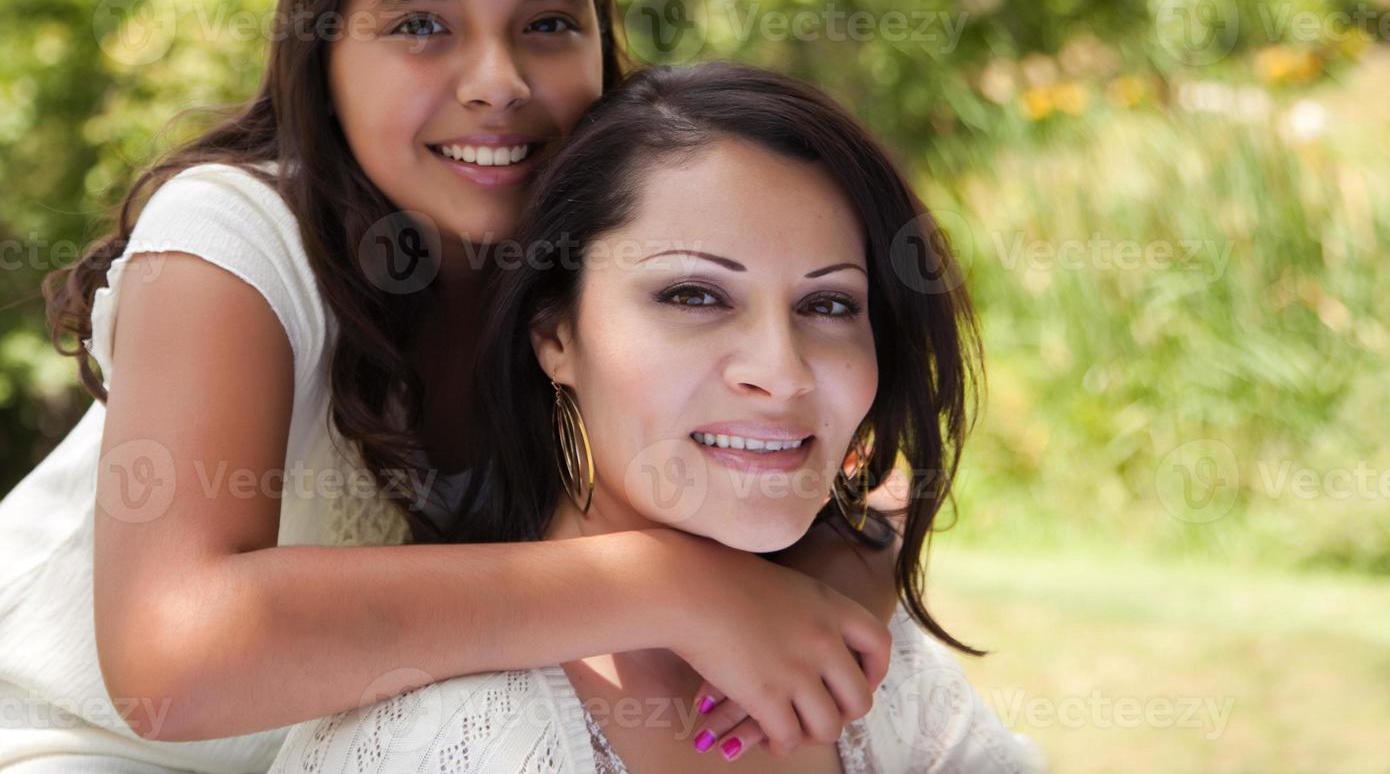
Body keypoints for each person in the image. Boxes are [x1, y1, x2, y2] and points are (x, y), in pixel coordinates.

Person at [0, 0, 901, 772]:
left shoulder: (614, 253)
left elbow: (861, 491)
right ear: (324, 56)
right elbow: (171, 658)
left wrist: (813, 598)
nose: (497, 81)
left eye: (549, 25)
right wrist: (663, 579)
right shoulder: (233, 235)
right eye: (421, 26)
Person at [268, 61, 1049, 773]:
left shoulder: (877, 668)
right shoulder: (447, 738)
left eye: (829, 303)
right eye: (694, 296)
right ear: (555, 336)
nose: (780, 374)